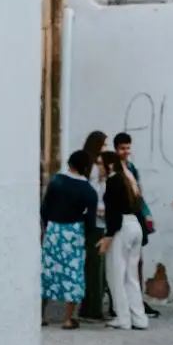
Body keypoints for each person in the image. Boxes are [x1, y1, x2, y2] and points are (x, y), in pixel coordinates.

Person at [41, 151, 100, 329]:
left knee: (47, 271)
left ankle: (41, 315)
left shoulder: (56, 181)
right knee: (72, 274)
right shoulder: (88, 191)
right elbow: (90, 219)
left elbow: (44, 208)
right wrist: (90, 238)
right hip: (74, 232)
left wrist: (46, 226)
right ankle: (68, 319)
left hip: (54, 230)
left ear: (70, 163)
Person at [100, 149, 150, 331]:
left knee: (116, 274)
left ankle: (123, 318)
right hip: (134, 225)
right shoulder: (128, 180)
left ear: (109, 165)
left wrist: (108, 236)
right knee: (131, 276)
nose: (99, 168)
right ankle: (139, 318)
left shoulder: (113, 182)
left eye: (100, 164)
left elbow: (113, 212)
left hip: (122, 228)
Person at [78, 130, 110, 322]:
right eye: (104, 145)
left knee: (94, 264)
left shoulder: (91, 166)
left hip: (93, 221)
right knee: (96, 265)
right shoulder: (96, 169)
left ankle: (90, 305)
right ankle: (93, 307)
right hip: (96, 221)